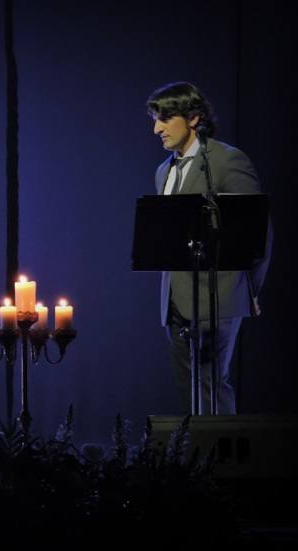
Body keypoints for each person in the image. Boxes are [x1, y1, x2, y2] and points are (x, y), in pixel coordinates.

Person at [147, 82, 272, 414]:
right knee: (189, 389)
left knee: (212, 384)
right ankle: (194, 462)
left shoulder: (227, 160)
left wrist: (249, 290)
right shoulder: (164, 171)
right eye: (155, 119)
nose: (156, 128)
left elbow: (257, 233)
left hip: (218, 295)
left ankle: (223, 464)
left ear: (193, 118)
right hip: (174, 300)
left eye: (165, 118)